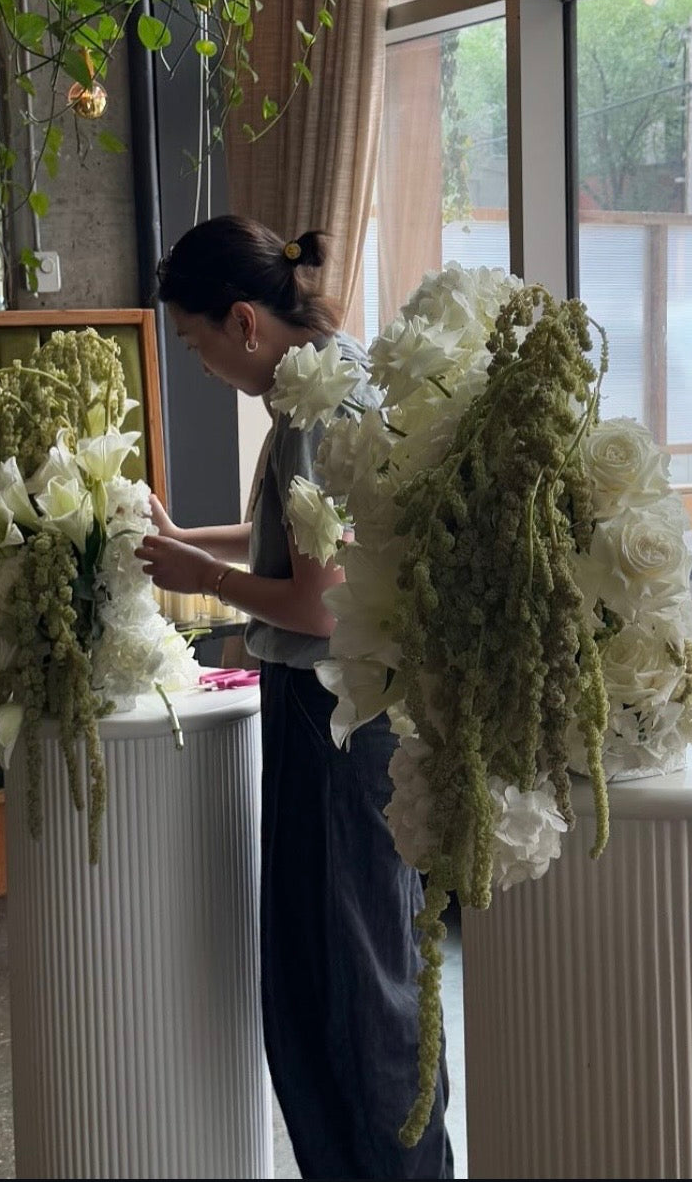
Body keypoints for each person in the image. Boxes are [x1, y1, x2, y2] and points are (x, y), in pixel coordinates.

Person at [137, 215, 452, 1182]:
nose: (199, 365)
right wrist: (185, 540)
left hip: (333, 715)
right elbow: (292, 544)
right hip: (349, 711)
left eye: (195, 342)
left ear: (242, 320)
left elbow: (317, 604)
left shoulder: (318, 407)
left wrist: (198, 574)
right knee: (354, 979)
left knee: (347, 991)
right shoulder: (333, 375)